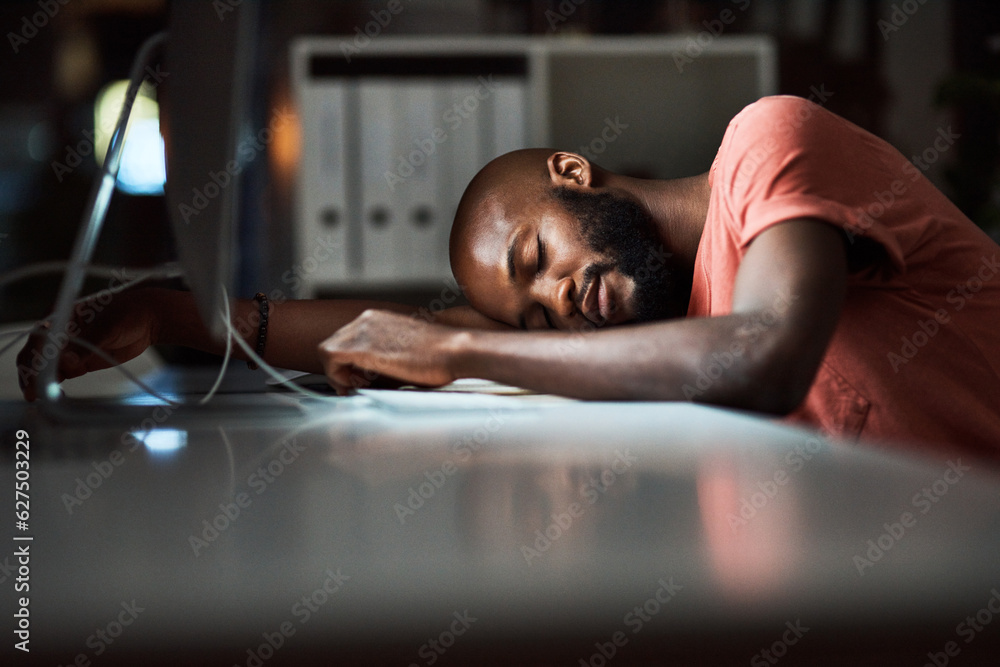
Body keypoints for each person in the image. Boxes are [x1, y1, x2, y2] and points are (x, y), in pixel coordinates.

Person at [17, 96, 1000, 460]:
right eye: (535, 313)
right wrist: (172, 312)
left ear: (574, 173)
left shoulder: (765, 145)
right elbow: (383, 329)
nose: (554, 304)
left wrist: (462, 349)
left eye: (537, 259)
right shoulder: (653, 328)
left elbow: (766, 354)